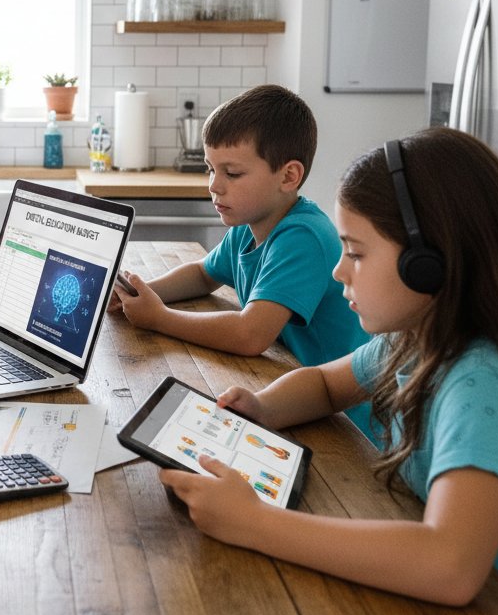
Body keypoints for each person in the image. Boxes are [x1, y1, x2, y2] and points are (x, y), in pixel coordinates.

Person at [160, 128, 498, 605]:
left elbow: (451, 565)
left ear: (429, 265)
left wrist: (257, 524)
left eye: (357, 253)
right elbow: (325, 385)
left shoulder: (478, 380)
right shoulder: (409, 340)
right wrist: (262, 408)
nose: (339, 271)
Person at [112, 84, 372, 439]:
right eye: (210, 169)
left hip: (342, 421)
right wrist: (141, 293)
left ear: (288, 176)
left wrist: (160, 318)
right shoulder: (249, 224)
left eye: (231, 173)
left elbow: (250, 335)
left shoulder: (303, 237)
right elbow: (203, 274)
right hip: (290, 390)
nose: (214, 186)